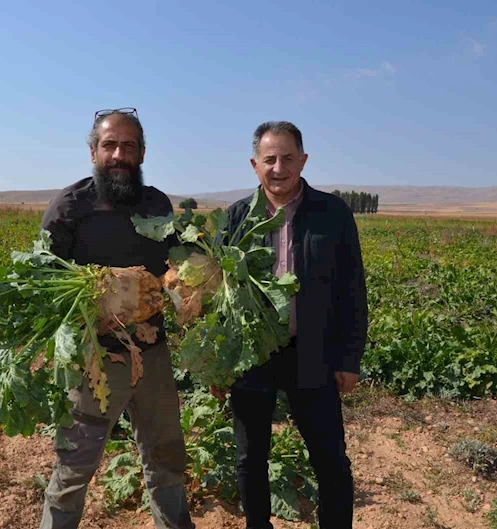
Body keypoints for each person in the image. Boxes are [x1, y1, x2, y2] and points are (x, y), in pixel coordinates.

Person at [38, 108, 195, 529]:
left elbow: (173, 266)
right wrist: (93, 309)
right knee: (74, 469)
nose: (119, 154)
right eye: (110, 145)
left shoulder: (157, 203)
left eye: (128, 146)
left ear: (142, 153)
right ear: (94, 151)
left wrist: (191, 284)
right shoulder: (70, 206)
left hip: (153, 354)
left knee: (166, 459)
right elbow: (44, 283)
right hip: (95, 361)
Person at [216, 121, 368, 529]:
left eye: (287, 158)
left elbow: (352, 289)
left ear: (303, 160)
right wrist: (218, 364)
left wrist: (349, 357)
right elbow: (218, 298)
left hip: (313, 353)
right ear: (255, 165)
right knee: (251, 459)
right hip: (252, 355)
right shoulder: (234, 219)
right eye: (270, 159)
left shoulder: (332, 214)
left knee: (330, 458)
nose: (278, 167)